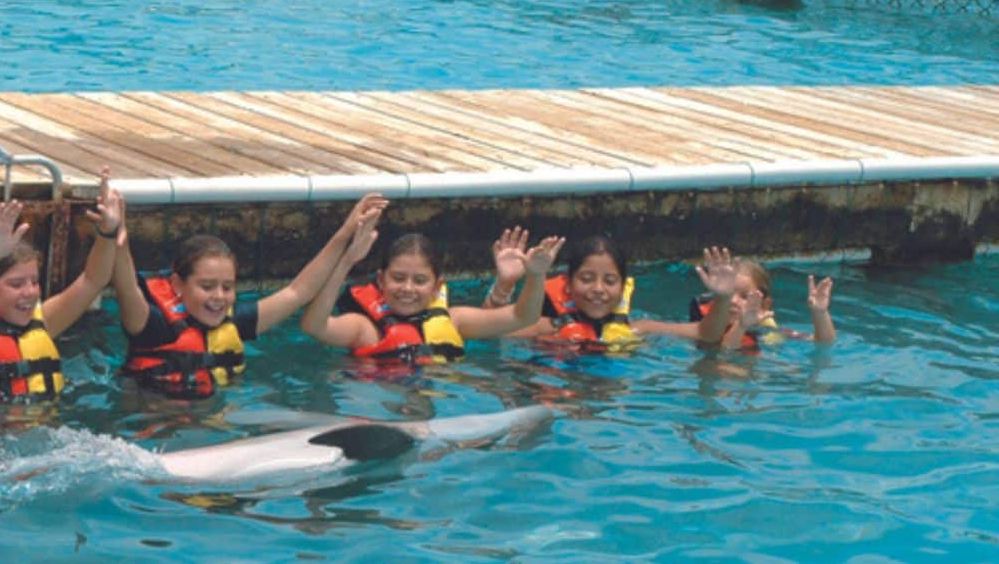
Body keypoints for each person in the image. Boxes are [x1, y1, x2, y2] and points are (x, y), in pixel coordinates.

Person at [111, 202, 363, 399]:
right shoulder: (151, 326)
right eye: (207, 286)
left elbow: (298, 292)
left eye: (228, 287)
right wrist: (115, 235)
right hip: (151, 429)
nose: (219, 297)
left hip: (208, 425)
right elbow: (127, 288)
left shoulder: (234, 322)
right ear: (177, 284)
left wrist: (346, 232)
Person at [0, 177, 122, 402]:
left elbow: (93, 281)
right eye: (16, 284)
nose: (30, 292)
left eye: (34, 281)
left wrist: (108, 233)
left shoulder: (42, 321)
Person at [302, 210, 562, 361]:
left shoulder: (455, 320)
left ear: (437, 286)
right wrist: (346, 261)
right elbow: (313, 325)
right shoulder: (364, 329)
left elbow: (523, 316)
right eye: (398, 278)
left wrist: (536, 275)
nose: (407, 288)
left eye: (420, 280)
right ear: (381, 280)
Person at [511, 237, 739, 348]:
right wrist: (507, 282)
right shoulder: (547, 327)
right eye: (587, 279)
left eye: (609, 281)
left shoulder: (639, 328)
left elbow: (706, 334)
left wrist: (723, 297)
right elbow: (489, 331)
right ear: (568, 285)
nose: (598, 289)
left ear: (622, 288)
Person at [686, 258, 839, 348]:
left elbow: (823, 343)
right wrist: (741, 326)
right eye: (727, 293)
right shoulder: (703, 326)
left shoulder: (766, 331)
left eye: (745, 296)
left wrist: (820, 313)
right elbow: (724, 353)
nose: (732, 300)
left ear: (764, 306)